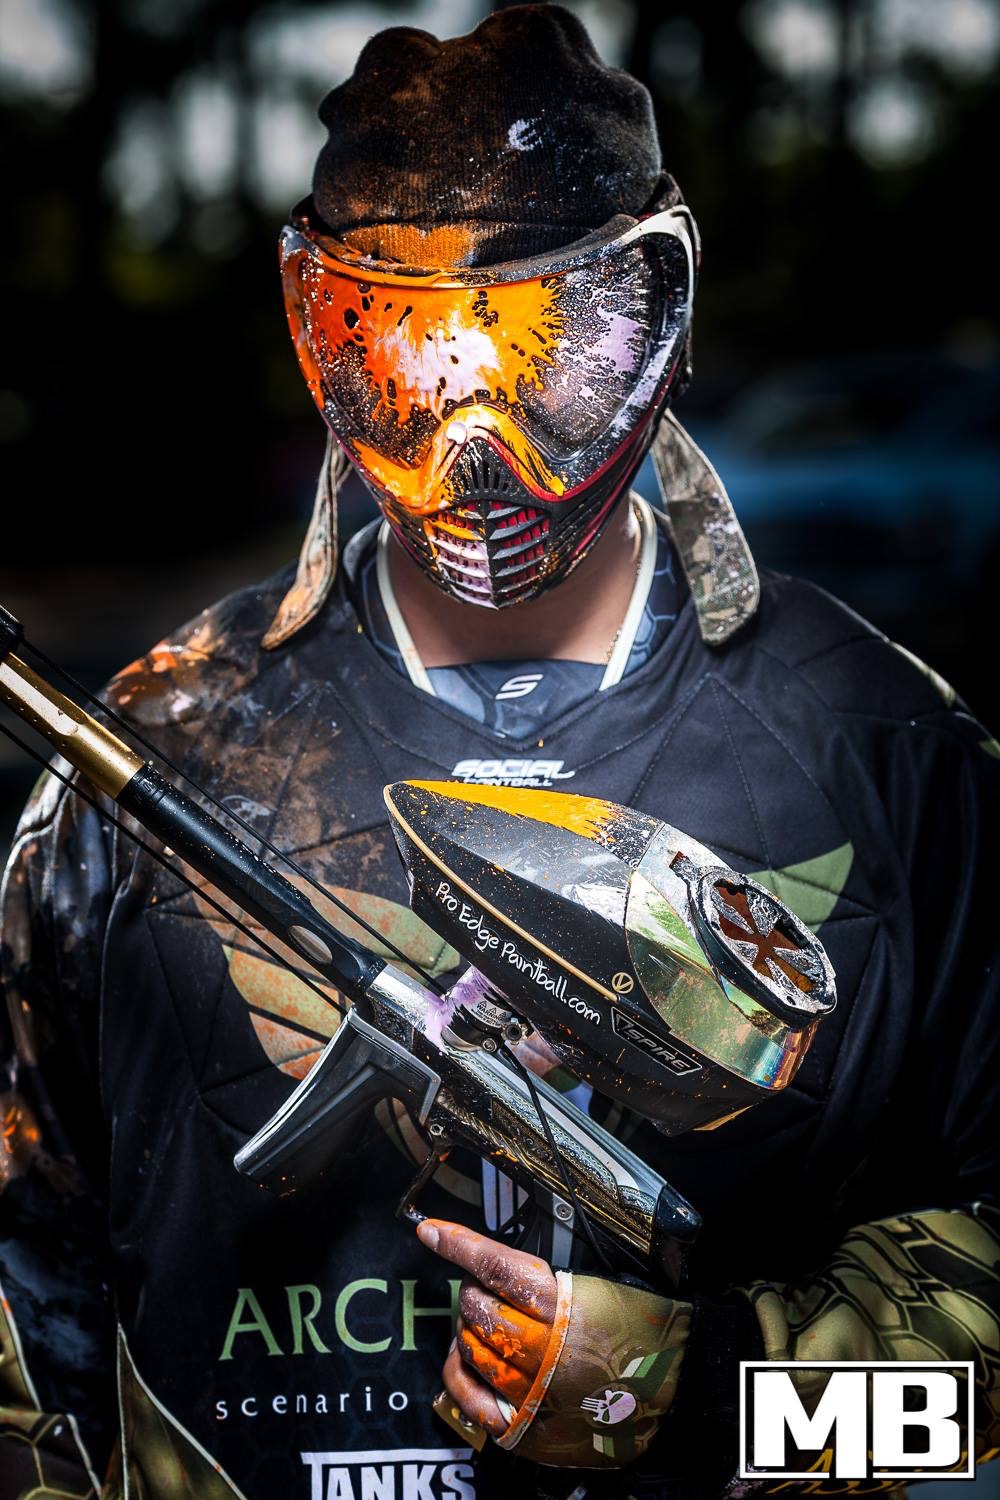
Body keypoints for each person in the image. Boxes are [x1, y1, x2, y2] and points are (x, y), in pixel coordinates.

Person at [0, 9, 997, 1499]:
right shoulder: (137, 771)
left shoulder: (896, 761)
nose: (474, 445)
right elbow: (29, 1333)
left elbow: (976, 1384)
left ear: (663, 316)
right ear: (319, 336)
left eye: (556, 350)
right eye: (405, 351)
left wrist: (711, 1397)